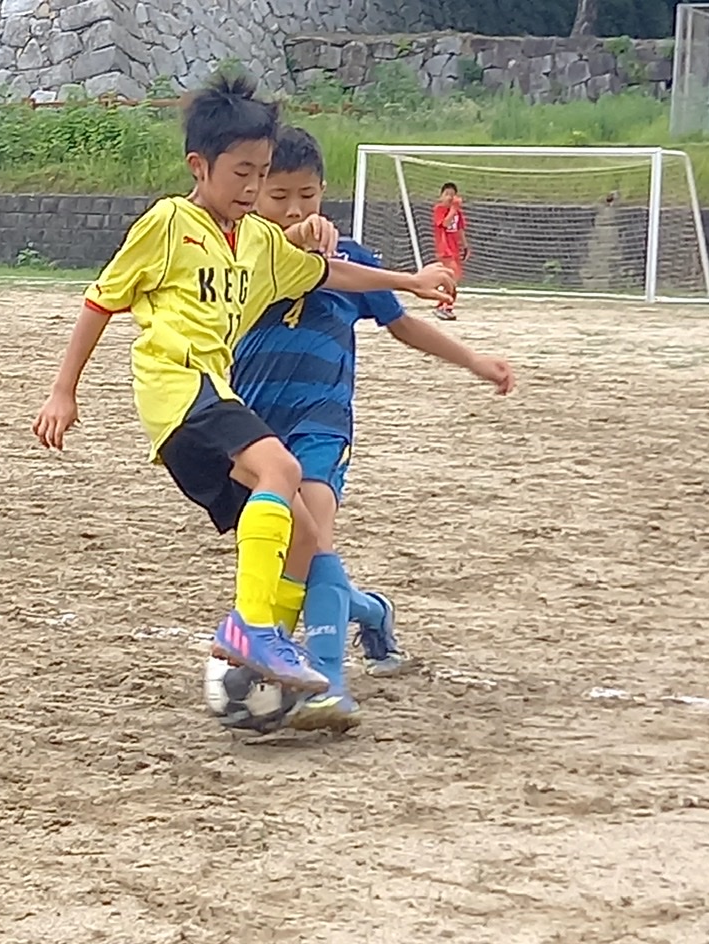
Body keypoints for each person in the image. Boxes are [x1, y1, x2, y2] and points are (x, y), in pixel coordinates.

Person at [31, 73, 456, 696]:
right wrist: (63, 390)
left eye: (261, 172)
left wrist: (408, 282)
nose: (253, 187)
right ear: (199, 167)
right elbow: (101, 300)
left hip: (214, 397)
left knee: (304, 535)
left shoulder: (256, 239)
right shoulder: (169, 223)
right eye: (241, 173)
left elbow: (326, 273)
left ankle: (270, 656)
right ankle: (251, 629)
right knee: (282, 469)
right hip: (178, 383)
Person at [232, 127, 515, 730]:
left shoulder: (353, 261)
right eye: (278, 196)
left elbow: (402, 324)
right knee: (291, 551)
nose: (295, 210)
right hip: (253, 429)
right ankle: (370, 611)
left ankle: (326, 684)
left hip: (320, 427)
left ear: (324, 191)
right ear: (252, 192)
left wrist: (473, 359)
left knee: (315, 541)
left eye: (307, 195)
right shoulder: (244, 258)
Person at [432, 181, 469, 321]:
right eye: (446, 194)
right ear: (441, 196)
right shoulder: (439, 209)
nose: (449, 197)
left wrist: (465, 246)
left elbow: (460, 229)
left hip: (455, 249)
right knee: (451, 278)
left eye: (452, 195)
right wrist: (453, 210)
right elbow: (445, 223)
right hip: (444, 249)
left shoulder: (458, 212)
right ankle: (444, 306)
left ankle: (444, 305)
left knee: (455, 279)